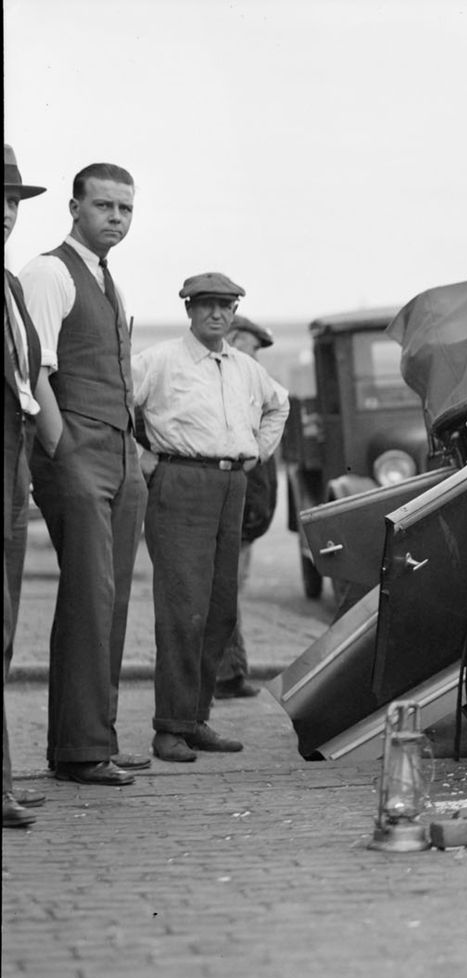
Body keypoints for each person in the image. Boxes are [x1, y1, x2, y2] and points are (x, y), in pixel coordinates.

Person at [19, 162, 149, 786]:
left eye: (125, 209)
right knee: (88, 600)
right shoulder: (49, 271)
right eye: (103, 207)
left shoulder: (107, 277)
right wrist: (63, 452)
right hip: (78, 453)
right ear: (74, 208)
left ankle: (96, 736)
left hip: (120, 455)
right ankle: (77, 751)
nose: (116, 219)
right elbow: (33, 373)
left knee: (112, 599)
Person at [133, 274, 288, 763]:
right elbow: (117, 402)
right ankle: (169, 729)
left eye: (226, 306)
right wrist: (142, 454)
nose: (218, 315)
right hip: (180, 484)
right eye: (207, 306)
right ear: (189, 311)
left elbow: (278, 406)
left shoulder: (244, 367)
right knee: (183, 607)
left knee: (220, 609)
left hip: (231, 485)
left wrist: (256, 453)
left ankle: (196, 720)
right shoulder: (158, 361)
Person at [4, 145, 60, 825]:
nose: (7, 214)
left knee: (7, 633)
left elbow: (29, 378)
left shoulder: (12, 286)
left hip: (12, 477)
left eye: (13, 202)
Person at [213, 313, 278, 700]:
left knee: (230, 592)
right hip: (237, 513)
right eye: (253, 347)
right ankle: (226, 674)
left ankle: (230, 671)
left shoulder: (247, 385)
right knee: (226, 592)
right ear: (235, 340)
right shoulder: (232, 387)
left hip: (247, 516)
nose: (256, 356)